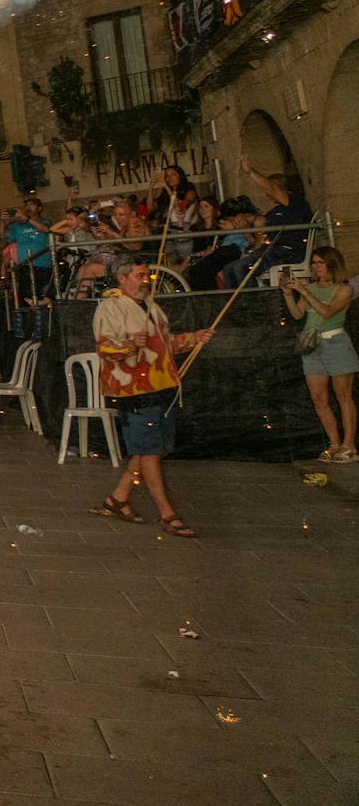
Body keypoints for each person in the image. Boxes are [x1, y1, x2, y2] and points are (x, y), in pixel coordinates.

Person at [90, 258, 213, 536]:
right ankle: (167, 515)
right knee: (150, 452)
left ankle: (117, 499)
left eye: (147, 275)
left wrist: (194, 338)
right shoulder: (110, 307)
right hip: (132, 390)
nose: (146, 280)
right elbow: (105, 348)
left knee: (146, 450)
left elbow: (164, 345)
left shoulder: (151, 306)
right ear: (122, 279)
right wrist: (130, 345)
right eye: (140, 275)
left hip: (160, 386)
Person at [281, 248, 356, 463]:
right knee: (318, 398)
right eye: (313, 262)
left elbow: (327, 311)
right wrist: (288, 295)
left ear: (332, 264)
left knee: (343, 395)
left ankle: (349, 445)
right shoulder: (311, 287)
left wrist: (304, 292)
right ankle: (334, 443)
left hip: (336, 343)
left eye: (320, 262)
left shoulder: (344, 289)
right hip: (312, 346)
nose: (315, 266)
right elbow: (297, 314)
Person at [234, 155, 314, 282]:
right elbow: (262, 236)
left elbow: (272, 188)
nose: (267, 193)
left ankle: (254, 301)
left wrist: (250, 171)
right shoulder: (275, 211)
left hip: (290, 251)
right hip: (271, 250)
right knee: (231, 268)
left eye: (268, 190)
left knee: (243, 268)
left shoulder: (297, 203)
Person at [4, 197, 57, 338]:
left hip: (43, 265)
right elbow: (3, 236)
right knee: (27, 299)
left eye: (31, 205)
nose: (28, 207)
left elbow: (45, 230)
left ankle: (45, 330)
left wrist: (27, 219)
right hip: (25, 266)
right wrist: (4, 221)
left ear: (39, 208)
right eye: (26, 205)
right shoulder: (17, 226)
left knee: (43, 296)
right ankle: (30, 330)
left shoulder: (44, 221)